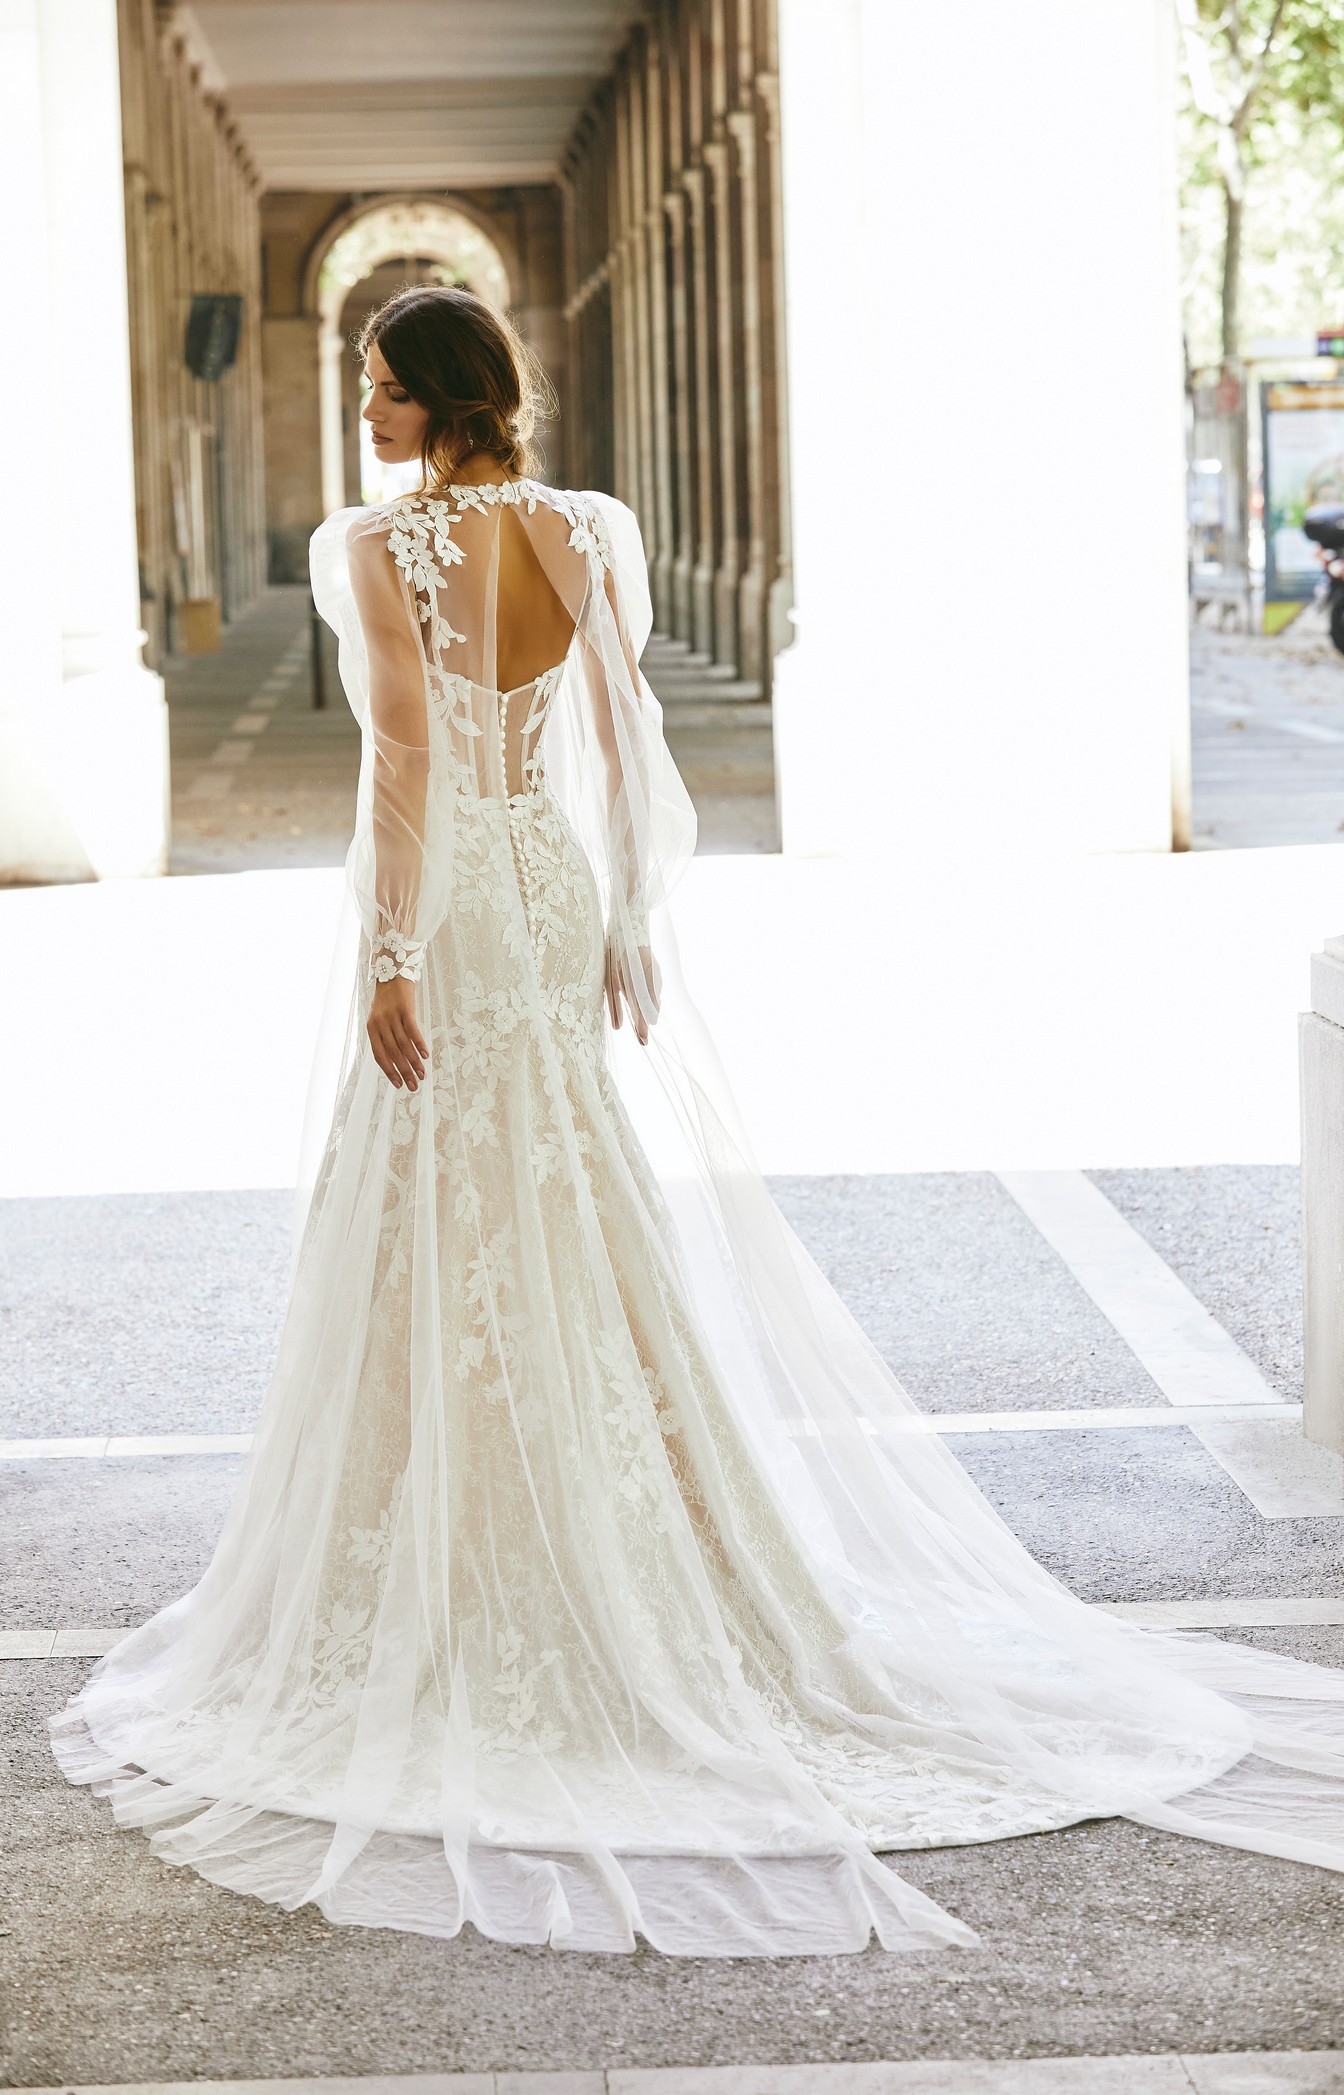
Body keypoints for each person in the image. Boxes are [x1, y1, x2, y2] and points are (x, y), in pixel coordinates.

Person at [52, 287, 1344, 1958]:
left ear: (437, 398)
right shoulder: (587, 527)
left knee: (439, 1194)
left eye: (379, 386)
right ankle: (620, 1523)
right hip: (545, 879)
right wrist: (626, 915)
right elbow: (617, 729)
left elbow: (398, 764)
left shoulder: (374, 549)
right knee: (569, 1192)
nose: (363, 408)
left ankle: (468, 1554)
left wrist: (387, 950)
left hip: (451, 905)